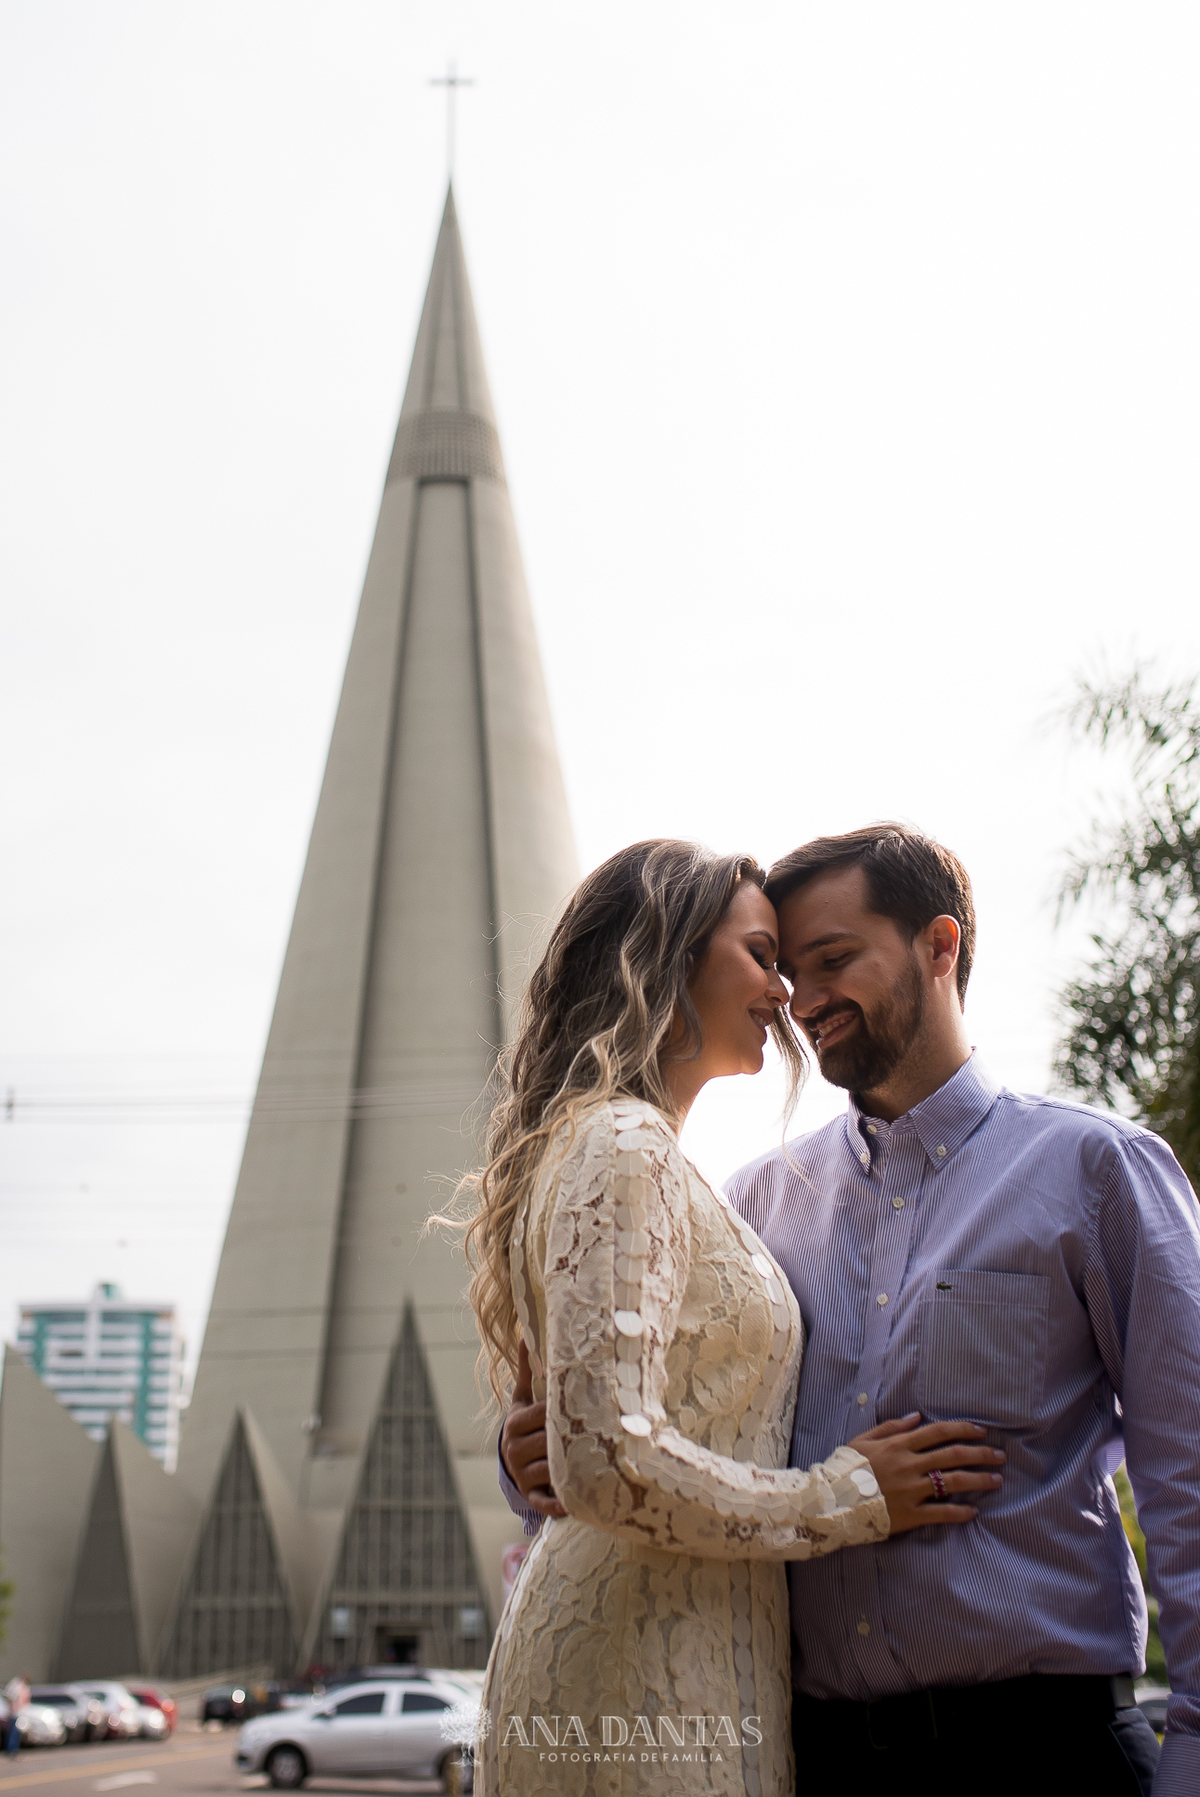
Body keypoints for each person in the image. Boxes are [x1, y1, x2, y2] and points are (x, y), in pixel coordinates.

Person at [503, 823, 1199, 1796]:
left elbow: (1188, 1476)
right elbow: (650, 1442)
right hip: (814, 1756)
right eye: (786, 968)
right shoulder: (749, 1210)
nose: (800, 999)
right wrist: (530, 1460)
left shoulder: (1096, 1171)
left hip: (1043, 1754)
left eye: (832, 960)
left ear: (939, 946)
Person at [471, 840, 1002, 1796]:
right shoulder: (624, 1142)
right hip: (639, 1661)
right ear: (671, 952)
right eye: (764, 956)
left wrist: (544, 1450)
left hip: (692, 1644)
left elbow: (600, 1434)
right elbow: (608, 1461)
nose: (786, 993)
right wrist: (848, 1495)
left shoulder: (653, 1160)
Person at [3, 1674, 29, 1756]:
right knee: (13, 1731)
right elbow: (11, 1697)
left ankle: (14, 1748)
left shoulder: (23, 1686)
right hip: (14, 1712)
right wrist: (12, 1708)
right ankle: (11, 1749)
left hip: (20, 1713)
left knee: (17, 1732)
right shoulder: (16, 1685)